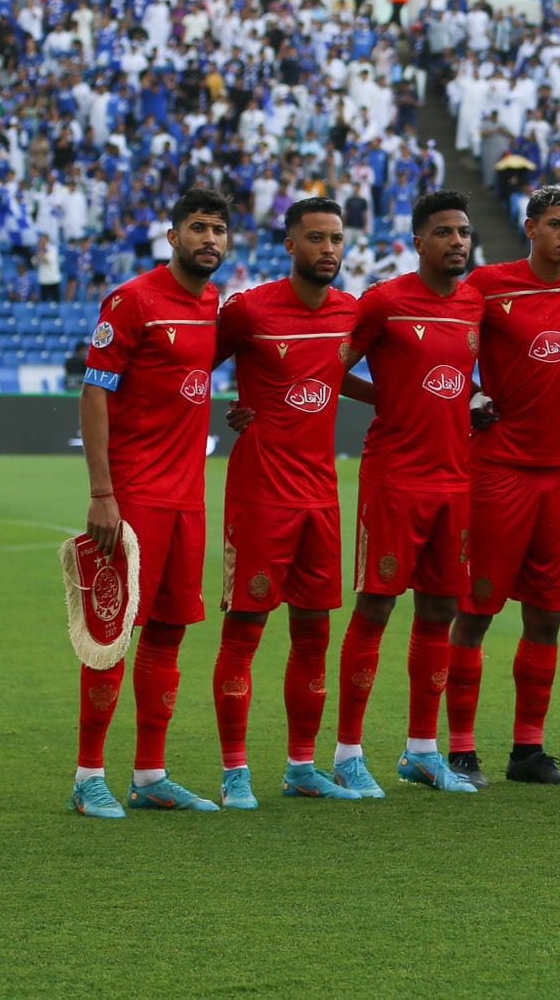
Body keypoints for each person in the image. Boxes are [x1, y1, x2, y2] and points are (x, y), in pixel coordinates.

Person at [71, 187, 230, 818]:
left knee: (168, 634)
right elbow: (95, 391)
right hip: (133, 496)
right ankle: (88, 778)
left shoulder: (214, 302)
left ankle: (150, 774)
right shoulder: (133, 300)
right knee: (112, 638)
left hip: (188, 499)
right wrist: (103, 494)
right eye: (197, 228)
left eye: (218, 229)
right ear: (172, 236)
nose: (209, 240)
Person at [447, 187, 560, 787]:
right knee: (476, 611)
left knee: (546, 617)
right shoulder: (488, 285)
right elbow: (442, 335)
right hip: (496, 474)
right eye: (556, 224)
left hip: (556, 477)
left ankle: (528, 752)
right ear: (531, 228)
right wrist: (469, 393)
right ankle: (461, 750)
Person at [328, 191, 484, 797]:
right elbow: (331, 365)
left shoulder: (474, 301)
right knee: (376, 607)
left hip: (455, 478)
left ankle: (422, 751)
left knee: (441, 611)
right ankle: (347, 754)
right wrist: (385, 399)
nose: (457, 242)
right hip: (395, 478)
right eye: (444, 232)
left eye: (464, 232)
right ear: (418, 241)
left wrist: (475, 400)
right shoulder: (385, 301)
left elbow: (459, 377)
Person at [210, 197, 363, 805]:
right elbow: (192, 366)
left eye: (337, 240)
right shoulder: (249, 311)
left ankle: (302, 766)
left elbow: (335, 373)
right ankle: (235, 771)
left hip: (321, 498)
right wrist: (222, 410)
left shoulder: (352, 312)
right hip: (260, 495)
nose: (329, 250)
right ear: (290, 245)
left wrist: (393, 402)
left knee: (314, 635)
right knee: (244, 631)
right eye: (317, 239)